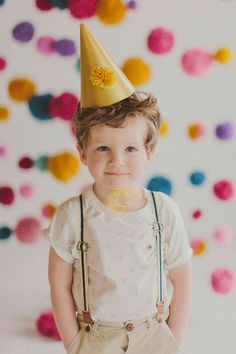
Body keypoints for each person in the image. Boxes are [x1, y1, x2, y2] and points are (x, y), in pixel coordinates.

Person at [46, 23, 193, 354]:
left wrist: (172, 340)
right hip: (94, 337)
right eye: (102, 149)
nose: (117, 161)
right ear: (82, 152)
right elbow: (58, 285)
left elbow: (182, 280)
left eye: (130, 149)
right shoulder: (73, 215)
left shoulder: (163, 211)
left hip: (153, 334)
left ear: (149, 152)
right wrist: (73, 343)